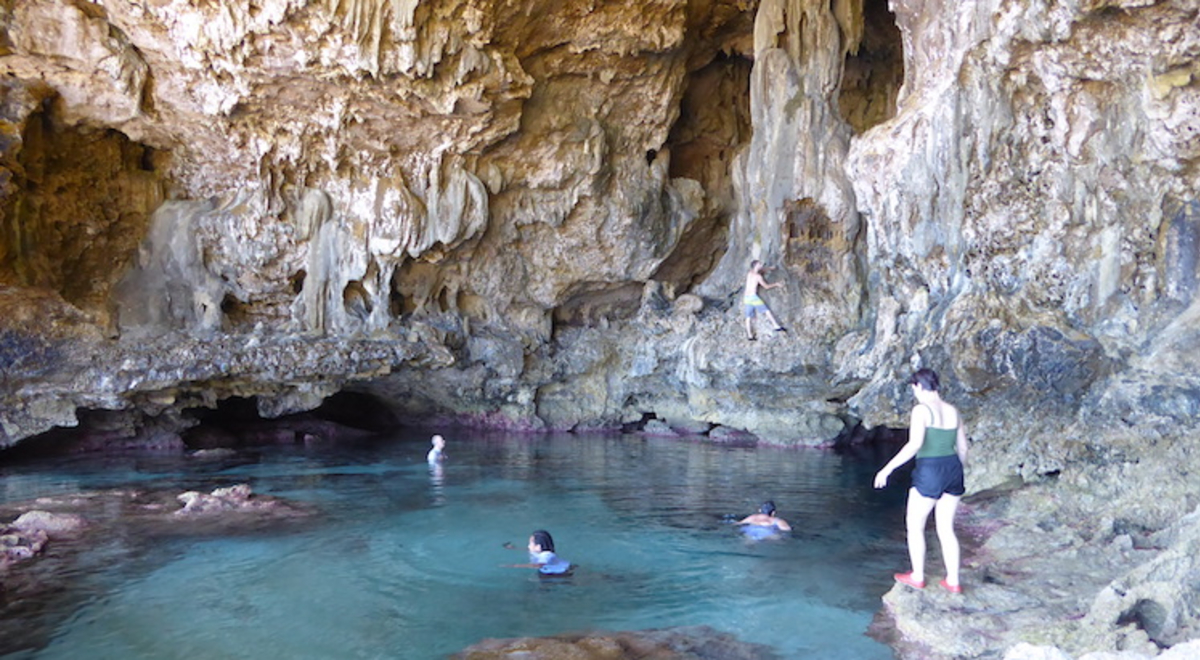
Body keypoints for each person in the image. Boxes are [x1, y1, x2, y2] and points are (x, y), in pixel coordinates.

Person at [874, 368, 969, 594]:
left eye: (913, 389)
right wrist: (957, 469)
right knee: (946, 528)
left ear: (918, 386)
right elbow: (963, 447)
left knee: (915, 526)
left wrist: (886, 469)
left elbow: (915, 444)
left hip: (930, 470)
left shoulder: (921, 410)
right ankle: (953, 581)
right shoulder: (953, 411)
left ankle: (918, 575)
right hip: (953, 468)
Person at [743, 260, 786, 341]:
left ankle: (750, 336)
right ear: (756, 266)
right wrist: (776, 284)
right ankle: (776, 326)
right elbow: (766, 286)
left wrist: (770, 268)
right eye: (759, 264)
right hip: (753, 297)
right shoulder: (758, 277)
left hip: (746, 297)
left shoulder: (750, 273)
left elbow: (761, 270)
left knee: (748, 317)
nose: (761, 265)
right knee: (766, 311)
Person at [505, 529, 572, 575]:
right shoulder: (540, 552)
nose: (528, 546)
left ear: (538, 547)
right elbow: (528, 549)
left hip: (562, 572)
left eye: (530, 543)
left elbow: (540, 564)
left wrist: (515, 566)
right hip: (563, 568)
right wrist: (514, 548)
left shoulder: (546, 555)